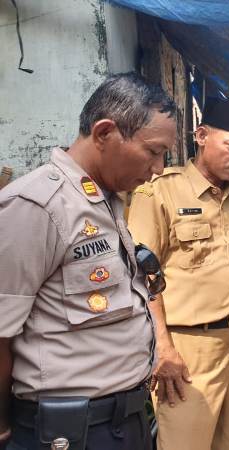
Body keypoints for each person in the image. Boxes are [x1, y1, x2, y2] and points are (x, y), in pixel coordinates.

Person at [0, 73, 176, 450]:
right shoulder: (38, 206)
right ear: (104, 133)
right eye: (153, 151)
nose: (159, 169)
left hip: (124, 420)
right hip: (69, 433)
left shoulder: (107, 201)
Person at [127, 96, 229, 450]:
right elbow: (142, 276)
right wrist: (163, 347)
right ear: (202, 135)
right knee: (185, 443)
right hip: (188, 348)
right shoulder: (160, 192)